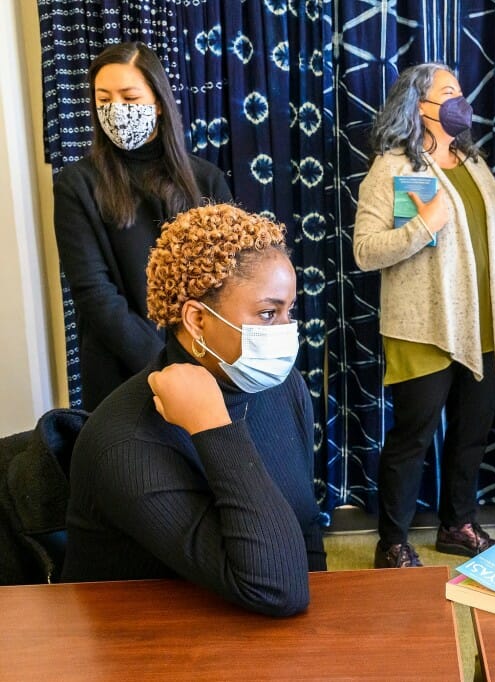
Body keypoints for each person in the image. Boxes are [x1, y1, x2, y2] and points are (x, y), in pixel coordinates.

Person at [62, 204, 326, 617]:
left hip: (243, 629)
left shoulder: (282, 387)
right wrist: (213, 427)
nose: (286, 332)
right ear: (197, 320)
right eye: (267, 313)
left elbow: (303, 526)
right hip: (145, 650)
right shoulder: (125, 442)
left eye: (289, 311)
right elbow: (276, 588)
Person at [354, 64, 495, 568]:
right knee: (413, 438)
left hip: (485, 325)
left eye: (461, 91)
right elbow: (365, 250)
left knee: (472, 432)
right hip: (422, 327)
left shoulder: (475, 166)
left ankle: (457, 525)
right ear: (420, 107)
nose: (461, 101)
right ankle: (393, 542)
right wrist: (422, 227)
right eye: (449, 92)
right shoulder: (394, 168)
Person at [53, 41, 232, 410]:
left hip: (204, 369)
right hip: (121, 376)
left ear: (159, 103)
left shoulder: (206, 180)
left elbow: (228, 281)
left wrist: (201, 364)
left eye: (129, 98)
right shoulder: (77, 184)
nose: (116, 110)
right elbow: (94, 293)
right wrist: (165, 365)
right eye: (103, 100)